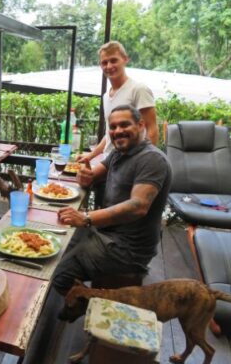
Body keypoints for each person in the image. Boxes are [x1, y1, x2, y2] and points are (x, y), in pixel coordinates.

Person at [51, 105, 172, 297]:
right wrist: (84, 176)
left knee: (58, 275)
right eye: (113, 127)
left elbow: (138, 206)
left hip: (127, 249)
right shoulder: (119, 153)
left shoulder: (152, 159)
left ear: (141, 125)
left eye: (124, 125)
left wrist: (86, 217)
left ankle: (99, 307)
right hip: (106, 233)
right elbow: (92, 175)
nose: (118, 131)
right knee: (57, 246)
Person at [79, 41, 159, 162]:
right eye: (104, 63)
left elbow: (152, 129)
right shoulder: (106, 96)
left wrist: (143, 162)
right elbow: (109, 136)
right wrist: (89, 156)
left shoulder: (138, 89)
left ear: (125, 59)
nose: (109, 66)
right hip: (109, 162)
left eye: (113, 60)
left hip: (130, 162)